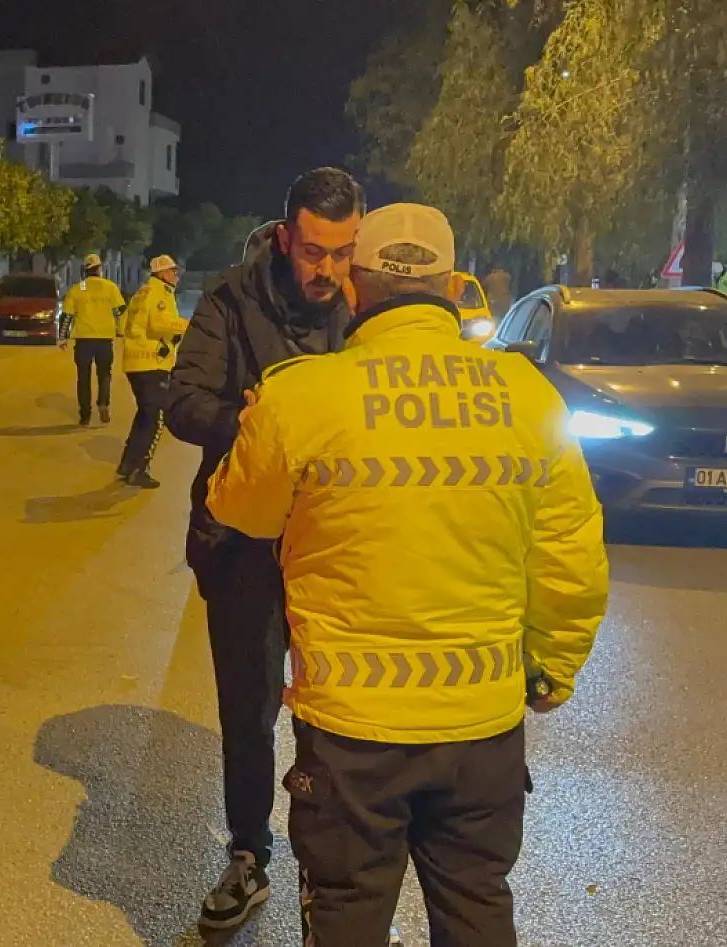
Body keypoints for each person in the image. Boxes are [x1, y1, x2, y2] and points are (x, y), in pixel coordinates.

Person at [206, 203, 609, 946]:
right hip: (481, 726)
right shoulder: (530, 398)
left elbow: (242, 510)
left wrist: (260, 423)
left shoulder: (302, 395)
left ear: (355, 289)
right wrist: (553, 664)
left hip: (352, 733)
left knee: (349, 911)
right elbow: (570, 551)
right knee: (477, 904)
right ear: (454, 288)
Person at [164, 166, 363, 931]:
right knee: (249, 711)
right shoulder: (231, 300)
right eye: (314, 251)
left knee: (338, 711)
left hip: (337, 543)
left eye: (343, 253)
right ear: (286, 239)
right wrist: (252, 426)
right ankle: (249, 853)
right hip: (241, 544)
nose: (328, 271)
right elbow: (182, 401)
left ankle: (337, 875)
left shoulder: (361, 308)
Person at [117, 254, 191, 489]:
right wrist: (187, 325)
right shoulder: (160, 293)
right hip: (152, 364)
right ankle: (140, 468)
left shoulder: (142, 292)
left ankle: (128, 464)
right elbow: (159, 323)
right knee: (155, 419)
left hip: (136, 362)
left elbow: (123, 324)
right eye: (172, 271)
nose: (176, 275)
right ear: (161, 273)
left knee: (144, 415)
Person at [59, 252, 127, 425]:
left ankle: (85, 415)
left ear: (85, 270)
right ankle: (103, 403)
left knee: (83, 377)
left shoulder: (78, 288)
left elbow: (67, 315)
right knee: (104, 374)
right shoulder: (110, 287)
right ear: (100, 269)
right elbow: (120, 311)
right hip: (104, 339)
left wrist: (63, 337)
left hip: (83, 340)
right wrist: (122, 331)